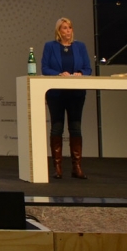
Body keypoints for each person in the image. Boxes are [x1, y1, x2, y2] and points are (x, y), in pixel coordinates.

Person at [41, 17, 93, 179]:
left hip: (75, 93)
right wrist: (58, 74)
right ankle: (57, 168)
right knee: (57, 127)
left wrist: (80, 73)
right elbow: (45, 68)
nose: (68, 31)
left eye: (70, 27)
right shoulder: (50, 46)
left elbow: (88, 68)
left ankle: (76, 167)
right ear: (59, 31)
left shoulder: (80, 46)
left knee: (75, 127)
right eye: (64, 28)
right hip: (56, 93)